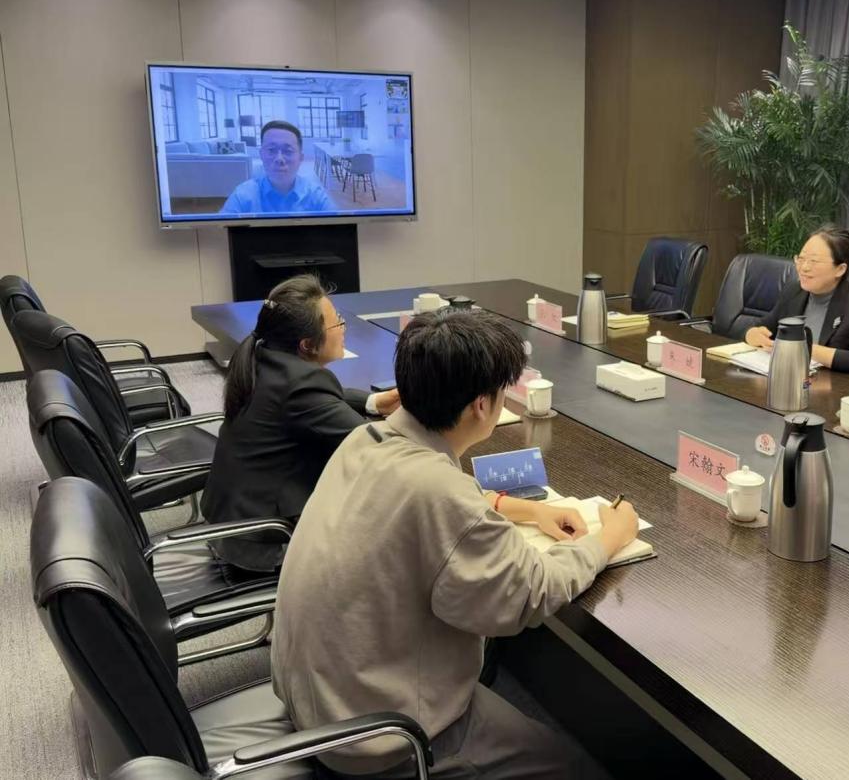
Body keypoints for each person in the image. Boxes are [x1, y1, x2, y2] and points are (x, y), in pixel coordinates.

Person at [272, 309, 641, 779]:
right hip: (380, 735)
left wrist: (527, 510)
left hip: (318, 697)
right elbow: (532, 591)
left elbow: (425, 503)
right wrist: (610, 538)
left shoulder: (366, 439)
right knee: (572, 767)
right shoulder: (439, 492)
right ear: (482, 406)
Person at [200, 274, 400, 572]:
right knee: (391, 527)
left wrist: (374, 401)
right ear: (307, 345)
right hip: (267, 544)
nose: (343, 328)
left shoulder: (265, 356)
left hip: (233, 524)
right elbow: (375, 444)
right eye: (337, 323)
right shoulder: (302, 384)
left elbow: (318, 399)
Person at [744, 224, 849, 377]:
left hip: (831, 387)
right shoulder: (794, 292)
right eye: (801, 259)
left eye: (814, 261)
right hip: (788, 378)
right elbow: (761, 326)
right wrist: (752, 334)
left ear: (840, 269)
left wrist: (803, 347)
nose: (803, 267)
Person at [220, 120, 334, 214]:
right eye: (271, 150)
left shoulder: (316, 196)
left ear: (301, 157)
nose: (279, 159)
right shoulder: (243, 195)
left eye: (288, 151)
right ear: (261, 155)